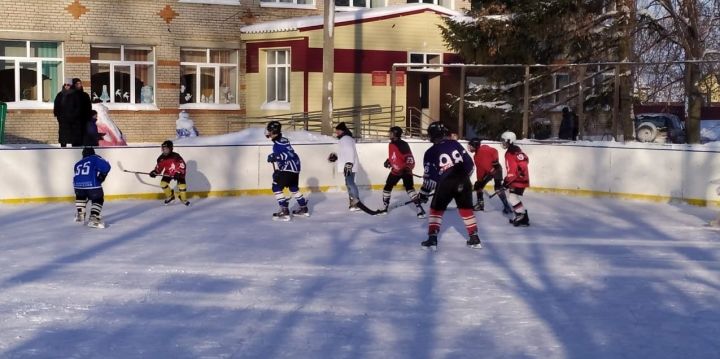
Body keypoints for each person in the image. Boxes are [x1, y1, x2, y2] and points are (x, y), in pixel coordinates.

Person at [416, 122, 481, 250]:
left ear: (432, 135)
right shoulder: (455, 143)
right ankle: (474, 239)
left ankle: (432, 239)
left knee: (436, 209)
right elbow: (470, 165)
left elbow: (430, 179)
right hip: (464, 180)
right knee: (466, 209)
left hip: (446, 182)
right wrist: (461, 179)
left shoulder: (430, 152)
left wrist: (423, 194)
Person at [265, 121, 309, 221]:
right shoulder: (280, 140)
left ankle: (284, 210)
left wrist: (275, 156)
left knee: (276, 187)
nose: (268, 132)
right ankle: (303, 208)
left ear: (273, 131)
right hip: (293, 168)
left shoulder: (280, 142)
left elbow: (290, 154)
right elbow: (288, 154)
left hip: (289, 168)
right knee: (293, 188)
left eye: (269, 130)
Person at [380, 126, 425, 218]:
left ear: (395, 134)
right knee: (387, 187)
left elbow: (409, 158)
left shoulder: (402, 144)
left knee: (409, 188)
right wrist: (389, 161)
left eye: (391, 132)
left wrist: (407, 169)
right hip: (396, 171)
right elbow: (394, 156)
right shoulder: (392, 144)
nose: (389, 134)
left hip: (405, 171)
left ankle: (419, 208)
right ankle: (385, 208)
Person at [467, 137, 512, 213]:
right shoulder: (483, 150)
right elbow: (494, 151)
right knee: (495, 187)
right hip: (495, 169)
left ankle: (480, 205)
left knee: (482, 186)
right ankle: (506, 206)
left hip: (494, 170)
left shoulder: (479, 154)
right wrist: (495, 162)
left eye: (471, 146)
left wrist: (479, 180)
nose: (469, 148)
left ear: (475, 145)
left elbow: (481, 169)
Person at [73, 147, 111, 228]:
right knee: (98, 198)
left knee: (81, 196)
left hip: (77, 186)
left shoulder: (78, 163)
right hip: (92, 186)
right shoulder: (94, 158)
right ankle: (93, 218)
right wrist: (103, 175)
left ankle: (80, 214)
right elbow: (106, 167)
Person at [328, 122, 360, 211]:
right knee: (349, 183)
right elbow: (344, 153)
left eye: (338, 130)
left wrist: (349, 164)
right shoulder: (345, 139)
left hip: (349, 165)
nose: (336, 132)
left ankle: (356, 202)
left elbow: (350, 151)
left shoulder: (345, 139)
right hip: (348, 164)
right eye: (336, 131)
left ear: (343, 130)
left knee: (350, 183)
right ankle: (353, 201)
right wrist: (336, 157)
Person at [501, 131, 530, 226]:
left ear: (510, 141)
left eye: (504, 141)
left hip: (518, 180)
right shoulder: (517, 150)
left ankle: (522, 216)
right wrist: (507, 179)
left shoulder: (510, 153)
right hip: (519, 178)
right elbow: (525, 160)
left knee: (512, 197)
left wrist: (507, 180)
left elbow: (512, 169)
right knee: (512, 196)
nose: (503, 143)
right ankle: (522, 216)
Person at [149, 140, 190, 206]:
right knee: (163, 184)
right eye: (163, 149)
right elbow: (159, 168)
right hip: (168, 173)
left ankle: (183, 199)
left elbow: (182, 165)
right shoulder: (161, 158)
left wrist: (178, 172)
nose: (164, 151)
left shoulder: (176, 156)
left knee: (182, 186)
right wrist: (155, 172)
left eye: (166, 149)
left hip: (178, 173)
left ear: (171, 149)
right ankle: (171, 196)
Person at [61, 78, 92, 146]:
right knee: (75, 140)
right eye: (77, 84)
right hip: (74, 121)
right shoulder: (70, 95)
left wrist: (88, 117)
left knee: (83, 139)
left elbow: (89, 107)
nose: (79, 85)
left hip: (83, 120)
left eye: (80, 83)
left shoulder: (85, 95)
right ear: (74, 85)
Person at [53, 78, 73, 147]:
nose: (67, 86)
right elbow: (56, 105)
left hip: (72, 118)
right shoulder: (60, 94)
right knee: (63, 133)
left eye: (68, 85)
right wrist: (58, 115)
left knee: (73, 134)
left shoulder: (74, 95)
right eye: (65, 85)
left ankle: (75, 148)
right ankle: (63, 146)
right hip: (62, 118)